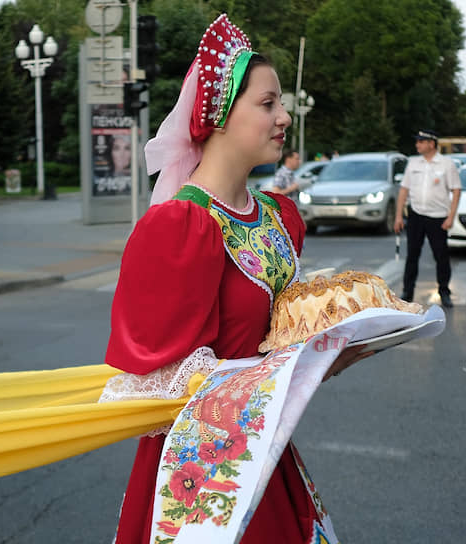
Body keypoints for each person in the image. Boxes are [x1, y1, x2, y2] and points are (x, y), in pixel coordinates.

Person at [100, 15, 369, 543]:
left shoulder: (277, 216)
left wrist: (327, 350)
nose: (285, 117)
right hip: (202, 467)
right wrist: (302, 368)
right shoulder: (180, 226)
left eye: (281, 104)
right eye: (268, 104)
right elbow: (158, 382)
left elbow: (278, 338)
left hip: (264, 449)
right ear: (219, 115)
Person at [393, 129, 461, 307]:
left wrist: (450, 217)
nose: (417, 145)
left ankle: (444, 291)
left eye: (421, 142)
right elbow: (404, 190)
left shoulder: (447, 164)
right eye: (417, 141)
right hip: (416, 215)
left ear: (431, 143)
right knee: (412, 256)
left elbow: (456, 190)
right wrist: (398, 216)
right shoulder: (413, 163)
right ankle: (407, 292)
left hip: (438, 217)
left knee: (441, 256)